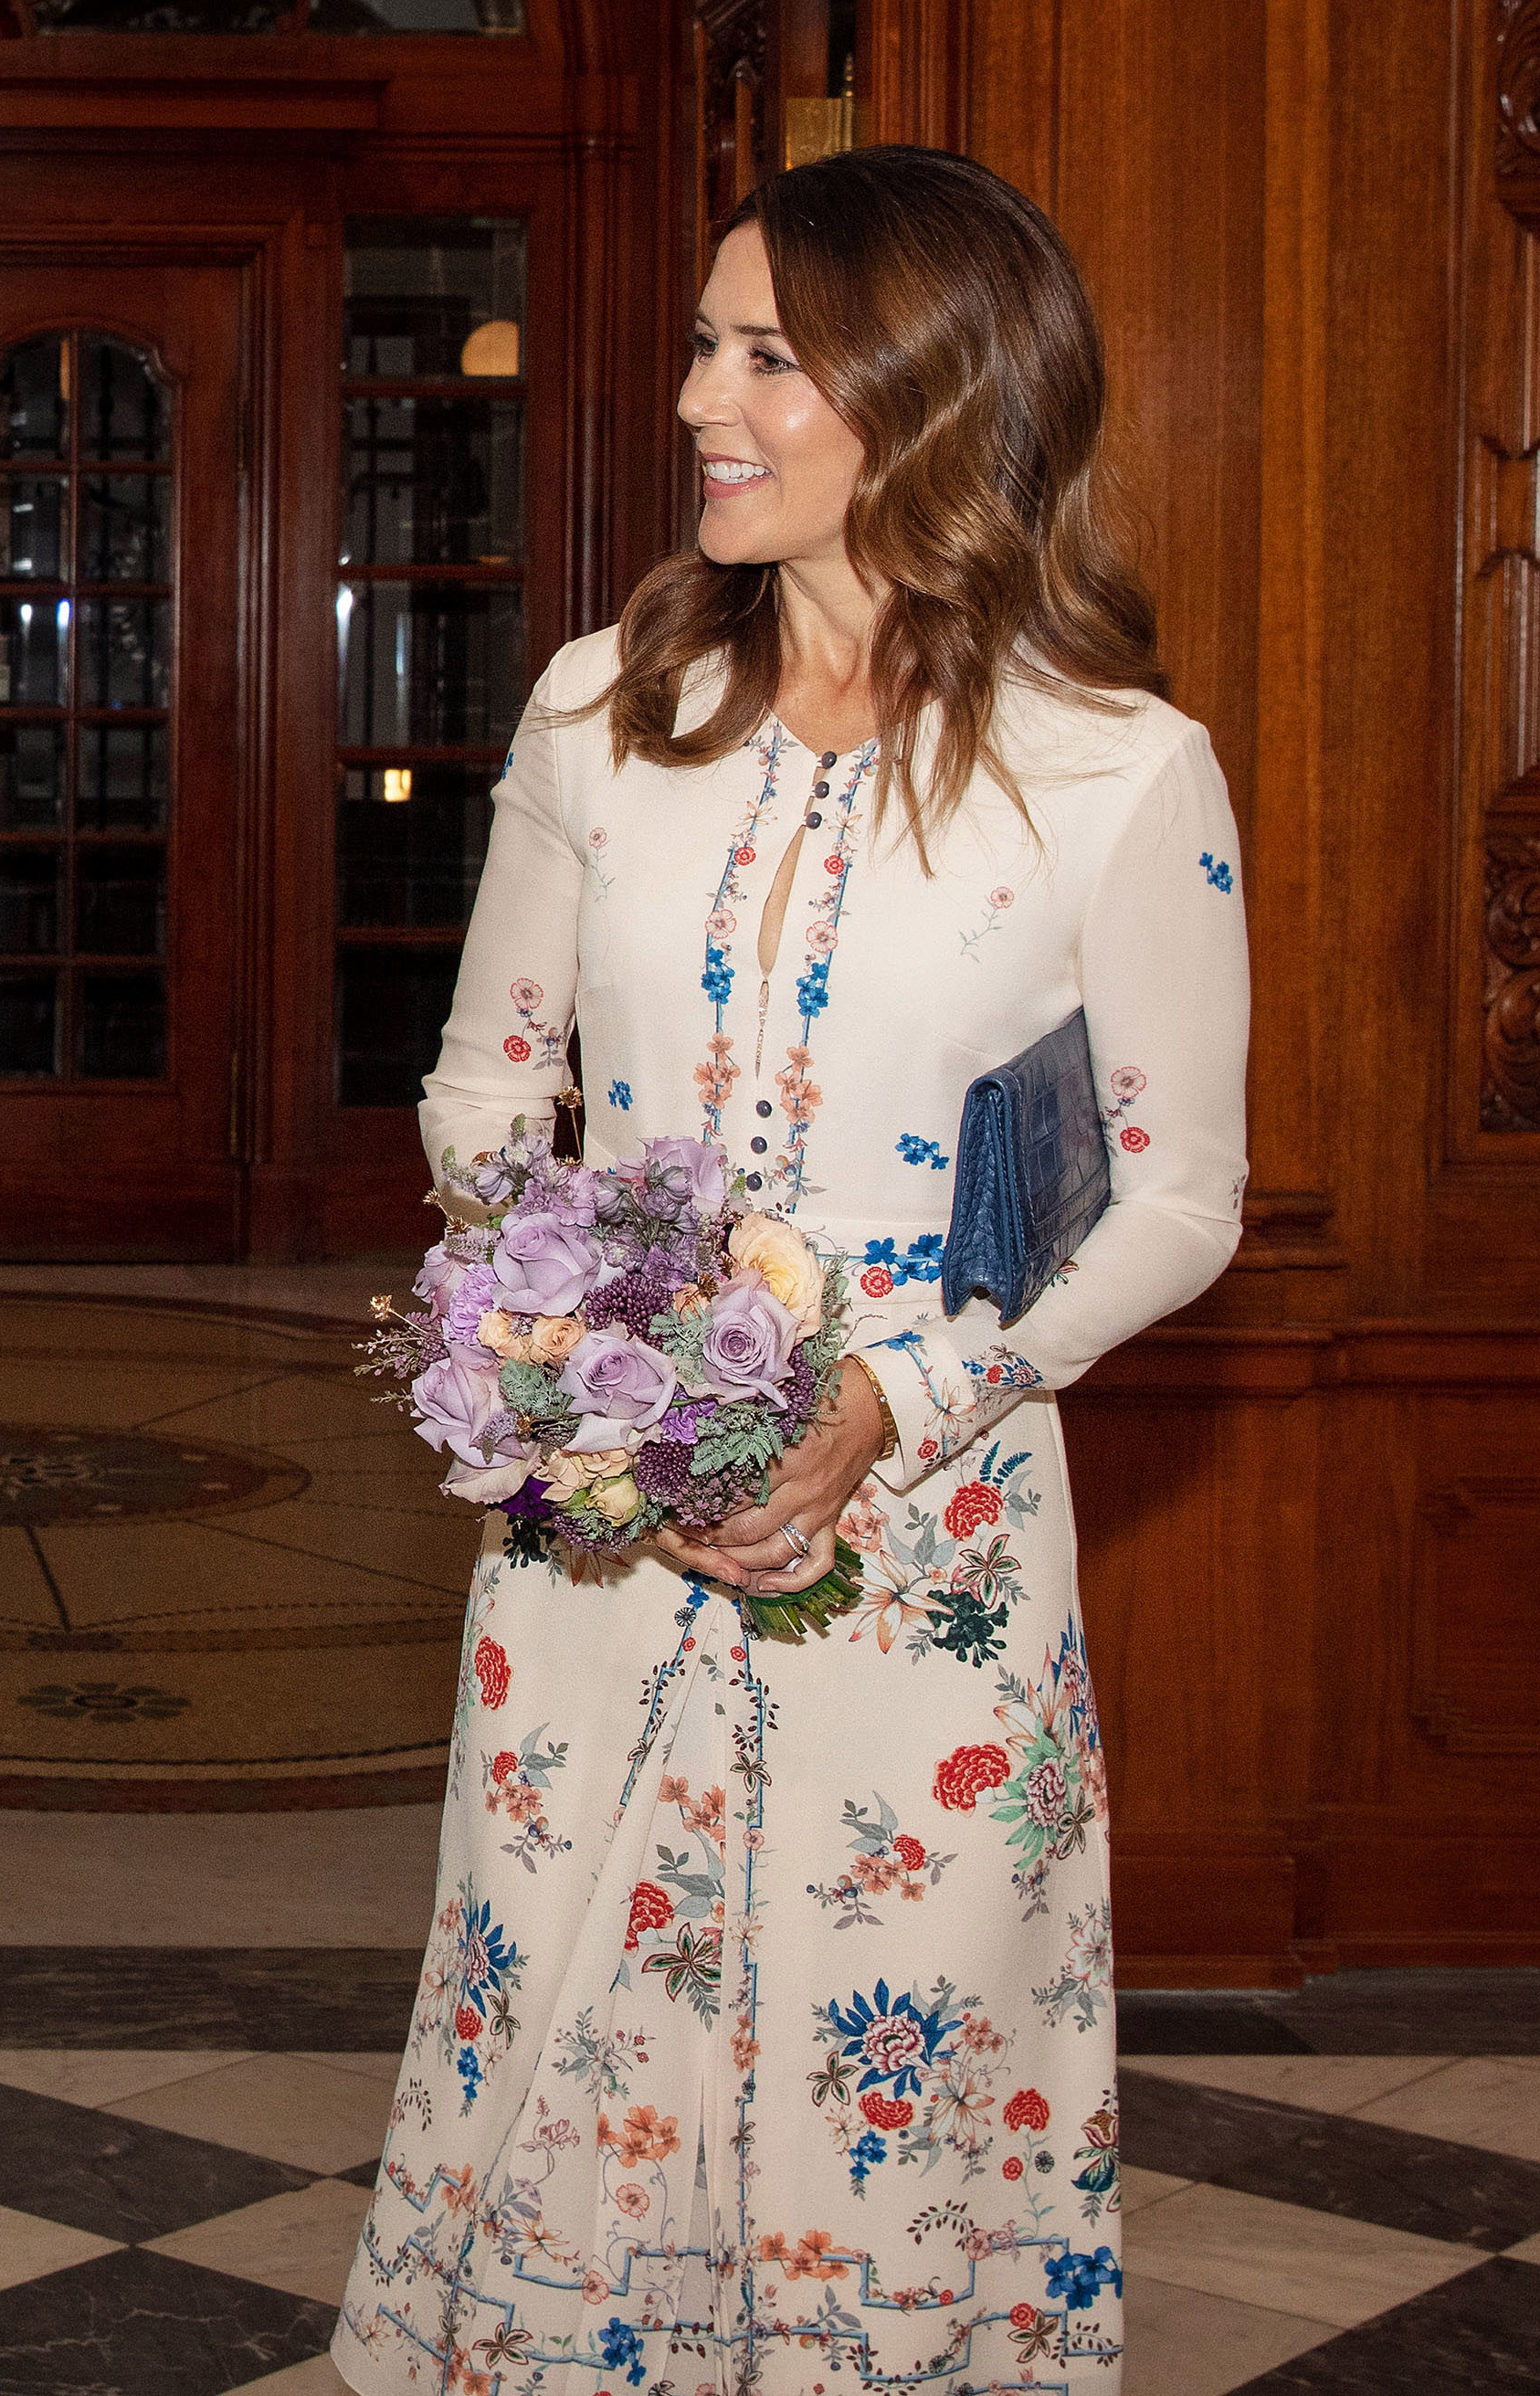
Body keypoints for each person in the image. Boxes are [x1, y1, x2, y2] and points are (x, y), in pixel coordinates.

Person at [337, 147, 1248, 2395]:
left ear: (928, 392)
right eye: (704, 341)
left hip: (927, 1551)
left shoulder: (1120, 769)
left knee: (897, 2046)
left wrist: (891, 1407)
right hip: (596, 1543)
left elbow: (1175, 1199)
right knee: (559, 2017)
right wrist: (563, 1327)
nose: (691, 398)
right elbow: (478, 1095)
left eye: (761, 352)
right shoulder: (599, 711)